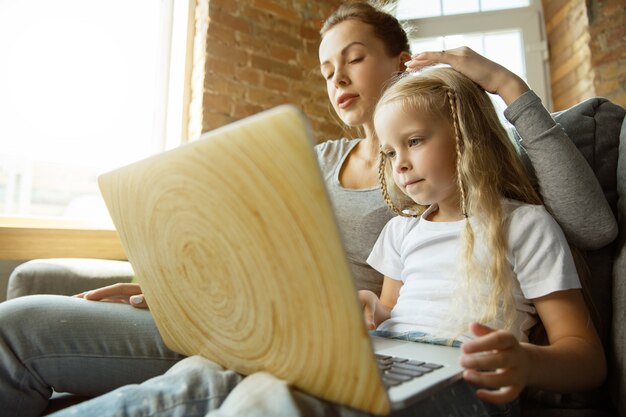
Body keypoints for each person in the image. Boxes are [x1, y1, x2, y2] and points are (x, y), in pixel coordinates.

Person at [0, 2, 615, 416]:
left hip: (374, 359)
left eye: (353, 57)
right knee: (20, 319)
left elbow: (590, 229)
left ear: (405, 63)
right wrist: (166, 288)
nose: (338, 78)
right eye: (326, 70)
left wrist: (505, 88)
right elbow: (251, 258)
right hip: (285, 336)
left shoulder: (479, 181)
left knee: (244, 396)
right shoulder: (324, 162)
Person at [361, 67, 605, 410]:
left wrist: (525, 362)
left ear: (468, 136)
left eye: (414, 141)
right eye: (389, 152)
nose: (399, 163)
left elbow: (587, 358)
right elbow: (390, 310)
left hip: (469, 376)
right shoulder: (401, 230)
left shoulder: (523, 225)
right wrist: (372, 310)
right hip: (390, 359)